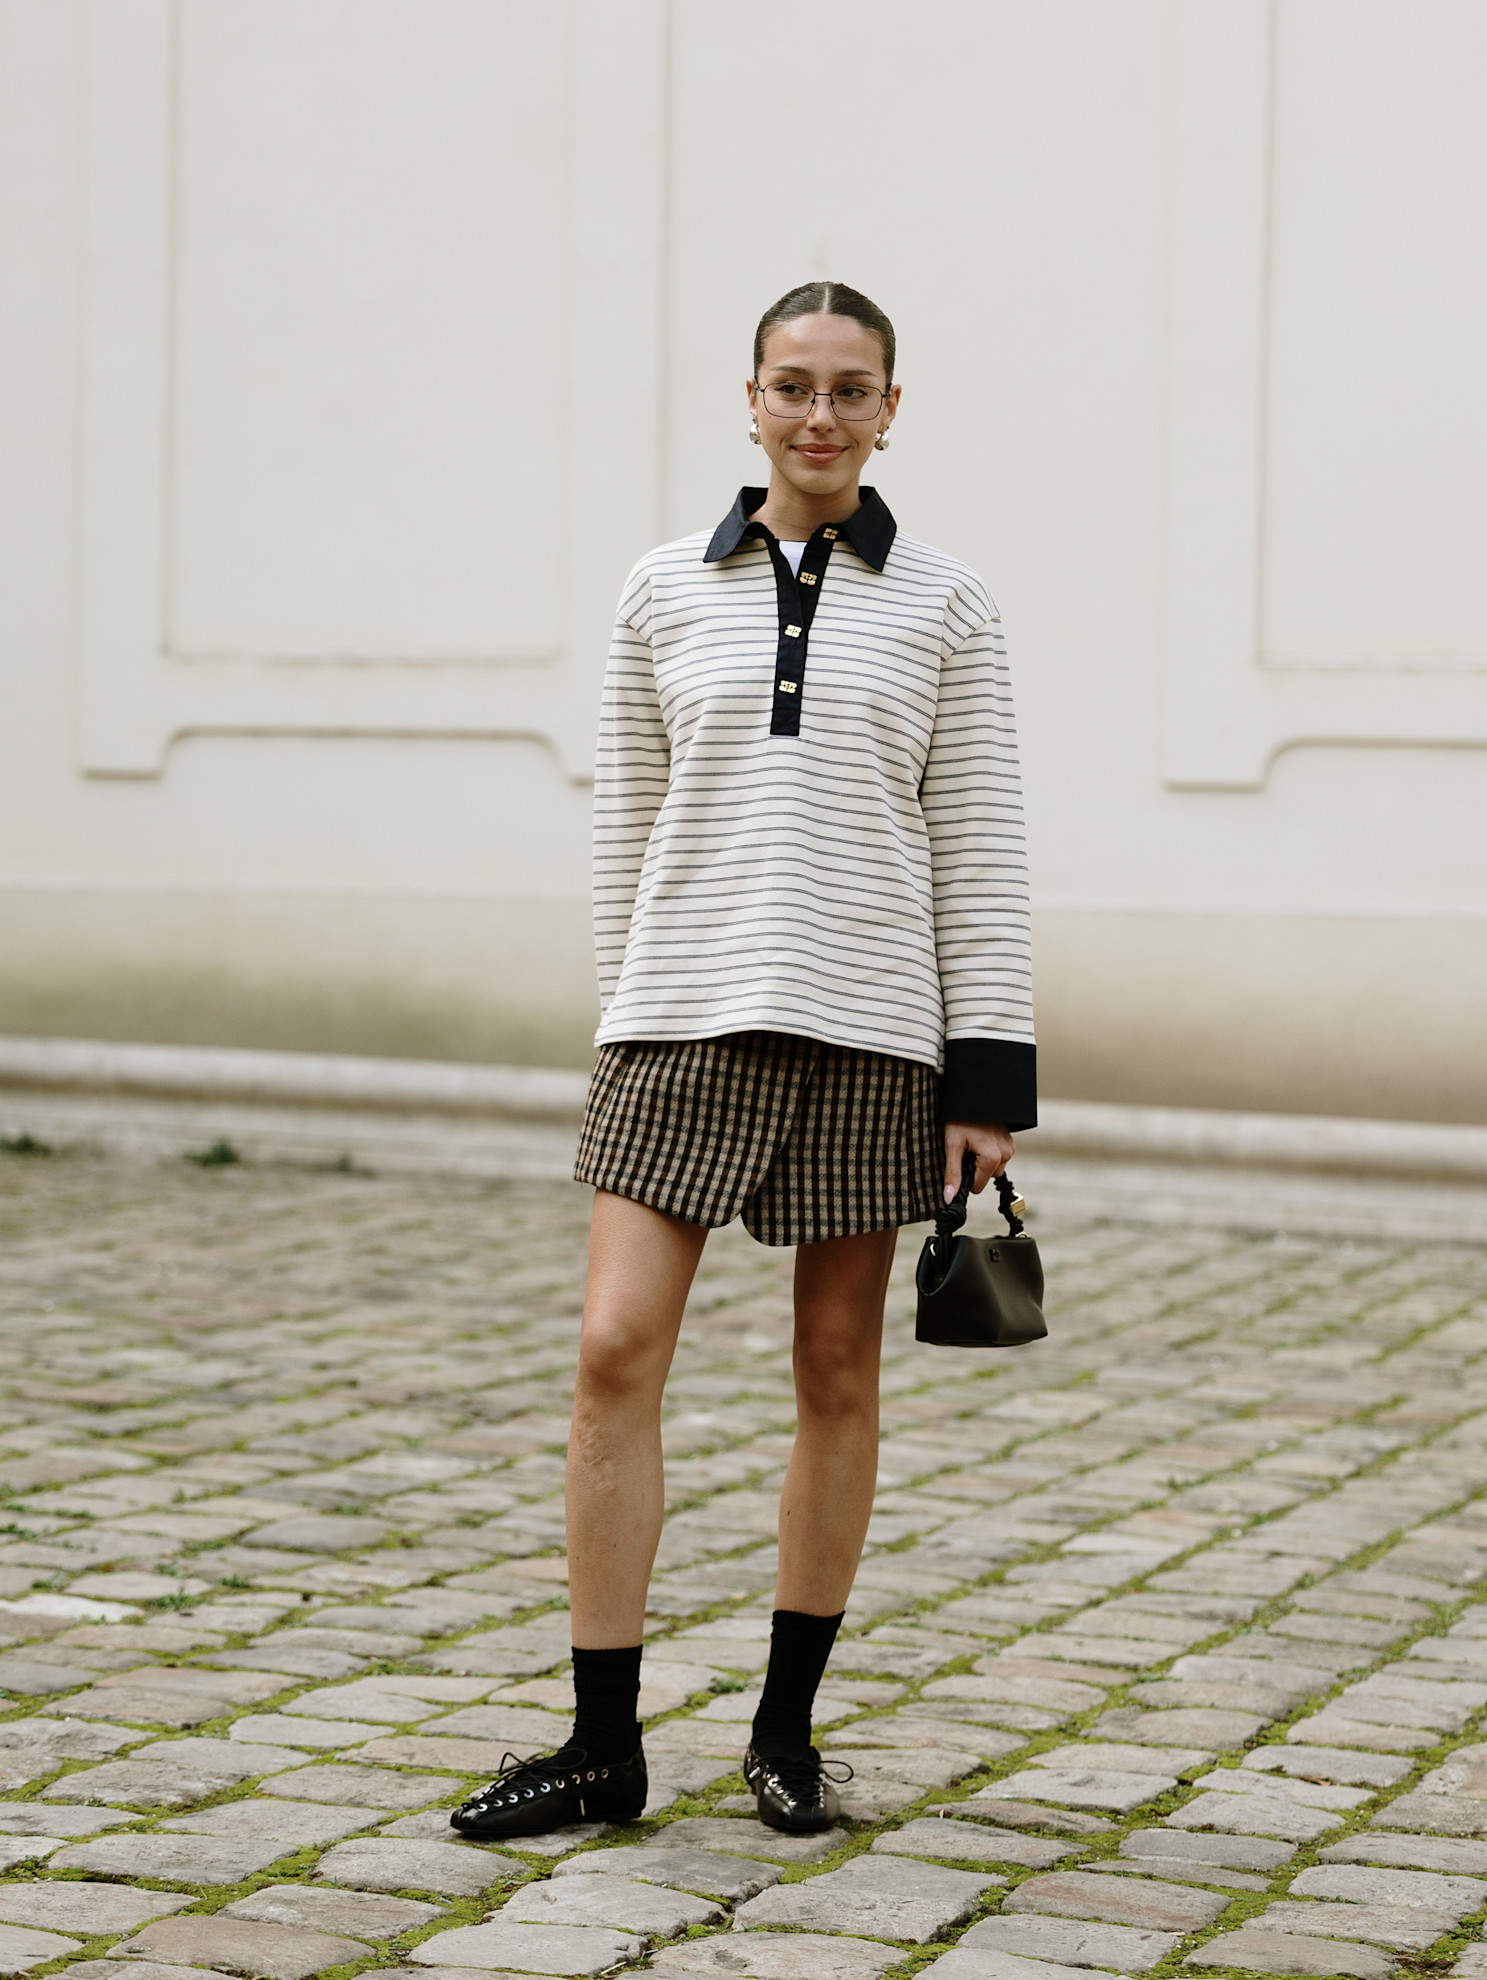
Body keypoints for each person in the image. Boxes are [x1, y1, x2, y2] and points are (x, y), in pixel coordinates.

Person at [452, 279, 1035, 1840]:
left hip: (871, 1036)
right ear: (752, 399)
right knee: (611, 1353)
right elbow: (625, 836)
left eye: (853, 390)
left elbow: (978, 849)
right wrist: (617, 1017)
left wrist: (987, 1083)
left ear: (894, 407)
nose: (821, 416)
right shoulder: (660, 591)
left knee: (835, 1374)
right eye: (794, 386)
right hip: (679, 1022)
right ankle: (600, 1745)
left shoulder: (950, 608)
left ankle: (784, 1735)